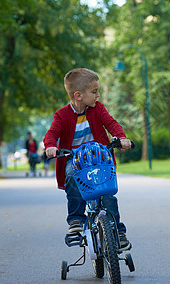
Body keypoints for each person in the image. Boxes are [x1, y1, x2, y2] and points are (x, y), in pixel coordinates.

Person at [44, 67, 132, 250]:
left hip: (99, 158)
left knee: (107, 195)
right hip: (75, 160)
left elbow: (111, 123)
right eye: (94, 92)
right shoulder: (62, 115)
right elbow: (52, 132)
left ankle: (118, 230)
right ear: (78, 95)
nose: (98, 95)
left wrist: (121, 138)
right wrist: (51, 146)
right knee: (71, 173)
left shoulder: (97, 109)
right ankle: (76, 219)